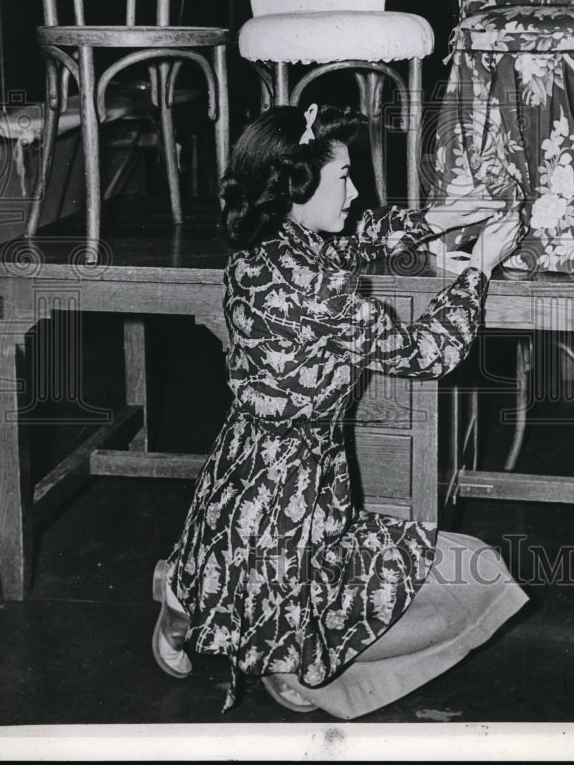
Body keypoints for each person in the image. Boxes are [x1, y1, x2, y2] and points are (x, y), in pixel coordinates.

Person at [151, 102, 528, 719]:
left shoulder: (269, 243)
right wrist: (477, 271)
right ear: (297, 188)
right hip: (294, 470)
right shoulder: (318, 289)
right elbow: (426, 353)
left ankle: (203, 615)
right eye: (344, 178)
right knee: (288, 565)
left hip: (244, 453)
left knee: (230, 552)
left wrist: (442, 217)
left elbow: (359, 238)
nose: (355, 189)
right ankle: (244, 642)